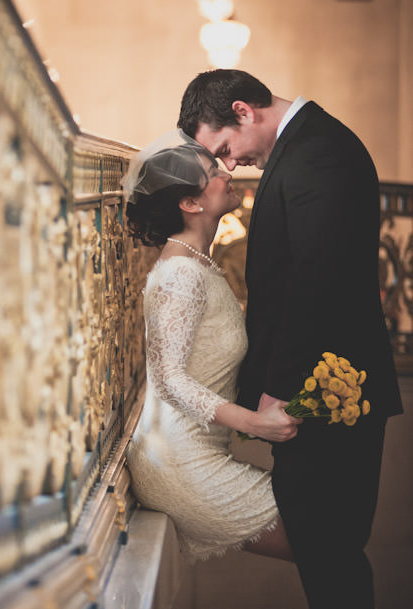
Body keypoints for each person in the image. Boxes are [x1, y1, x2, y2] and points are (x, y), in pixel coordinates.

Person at [178, 69, 403, 609]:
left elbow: (314, 283)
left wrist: (277, 392)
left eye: (226, 148)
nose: (230, 165)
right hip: (320, 390)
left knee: (330, 548)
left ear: (242, 110)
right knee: (327, 549)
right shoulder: (308, 146)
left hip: (326, 394)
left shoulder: (318, 150)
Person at [122, 129, 299, 564]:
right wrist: (257, 424)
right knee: (322, 542)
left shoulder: (196, 263)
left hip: (196, 454)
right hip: (179, 465)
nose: (225, 172)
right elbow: (169, 381)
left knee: (328, 537)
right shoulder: (181, 274)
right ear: (191, 203)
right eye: (210, 171)